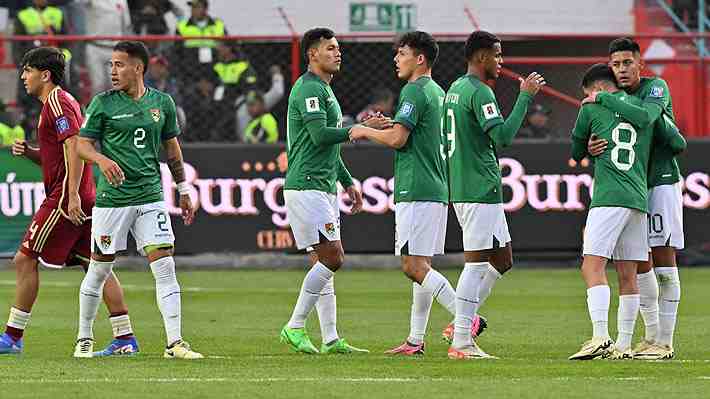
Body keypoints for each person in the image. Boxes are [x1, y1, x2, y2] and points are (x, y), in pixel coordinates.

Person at [0, 47, 138, 356]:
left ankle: (12, 337)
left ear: (44, 75)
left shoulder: (58, 103)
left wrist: (71, 195)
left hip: (65, 196)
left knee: (24, 259)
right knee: (97, 265)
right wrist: (34, 153)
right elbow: (60, 154)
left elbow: (76, 146)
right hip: (77, 193)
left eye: (27, 70)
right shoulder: (58, 103)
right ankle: (124, 336)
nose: (23, 76)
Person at [73, 41, 202, 359]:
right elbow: (82, 145)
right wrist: (101, 161)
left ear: (138, 68)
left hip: (150, 196)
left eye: (119, 64)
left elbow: (171, 149)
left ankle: (174, 343)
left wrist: (183, 189)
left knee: (165, 266)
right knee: (99, 269)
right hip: (112, 200)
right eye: (111, 65)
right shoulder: (102, 103)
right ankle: (84, 337)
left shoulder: (163, 103)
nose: (113, 71)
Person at [279, 27, 390, 355]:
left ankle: (330, 338)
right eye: (330, 48)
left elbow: (329, 147)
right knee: (333, 257)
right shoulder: (308, 89)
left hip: (322, 185)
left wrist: (347, 182)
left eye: (338, 47)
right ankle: (295, 326)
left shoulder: (325, 90)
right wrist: (361, 130)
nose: (337, 53)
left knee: (322, 261)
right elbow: (318, 135)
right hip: (307, 185)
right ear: (312, 54)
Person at [350, 31, 460, 357]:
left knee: (412, 266)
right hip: (436, 186)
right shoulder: (437, 91)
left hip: (417, 186)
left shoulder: (413, 89)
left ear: (420, 58)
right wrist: (391, 125)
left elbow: (399, 140)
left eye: (402, 53)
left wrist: (365, 130)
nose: (396, 59)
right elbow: (409, 132)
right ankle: (415, 340)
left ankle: (467, 318)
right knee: (421, 265)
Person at [568, 64, 685, 360]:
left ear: (596, 90)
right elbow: (676, 141)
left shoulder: (592, 108)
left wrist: (588, 146)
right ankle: (623, 344)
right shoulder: (643, 111)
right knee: (629, 272)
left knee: (591, 266)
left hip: (609, 196)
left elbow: (575, 151)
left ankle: (600, 336)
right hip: (638, 198)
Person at [442, 31, 544, 359]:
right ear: (481, 57)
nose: (501, 62)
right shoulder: (480, 92)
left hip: (468, 186)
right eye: (497, 56)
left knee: (503, 258)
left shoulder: (456, 88)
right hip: (478, 188)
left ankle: (462, 321)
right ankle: (461, 339)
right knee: (475, 263)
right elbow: (503, 138)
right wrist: (525, 96)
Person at [172, 0, 226, 84]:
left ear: (205, 8)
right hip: (190, 68)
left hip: (214, 66)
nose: (193, 10)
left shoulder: (218, 24)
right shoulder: (182, 25)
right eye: (192, 7)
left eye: (197, 7)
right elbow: (177, 50)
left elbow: (226, 46)